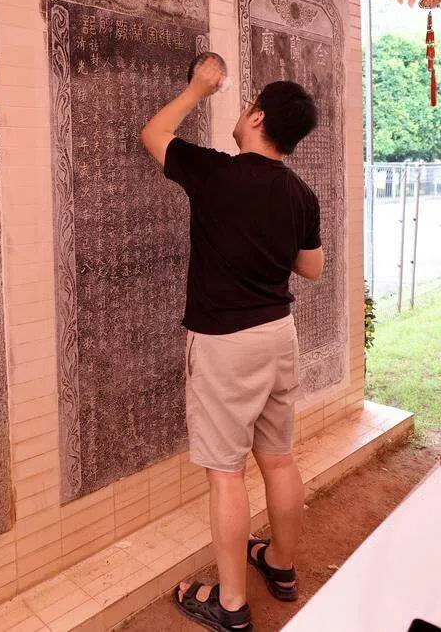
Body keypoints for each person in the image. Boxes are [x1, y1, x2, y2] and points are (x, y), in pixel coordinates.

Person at [140, 52, 323, 632]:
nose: (242, 114)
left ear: (258, 117)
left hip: (225, 342)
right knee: (279, 458)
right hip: (278, 335)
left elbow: (153, 134)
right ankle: (282, 567)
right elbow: (312, 268)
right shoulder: (301, 193)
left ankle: (232, 606)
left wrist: (198, 88)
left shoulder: (215, 172)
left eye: (248, 107)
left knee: (226, 473)